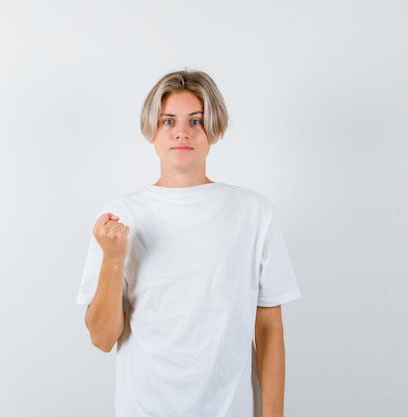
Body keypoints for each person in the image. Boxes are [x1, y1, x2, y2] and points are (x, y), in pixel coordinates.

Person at [76, 70, 301, 417]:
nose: (182, 131)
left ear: (215, 129)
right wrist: (113, 259)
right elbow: (103, 339)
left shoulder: (253, 212)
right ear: (152, 130)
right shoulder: (119, 216)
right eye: (168, 121)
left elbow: (269, 327)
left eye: (196, 121)